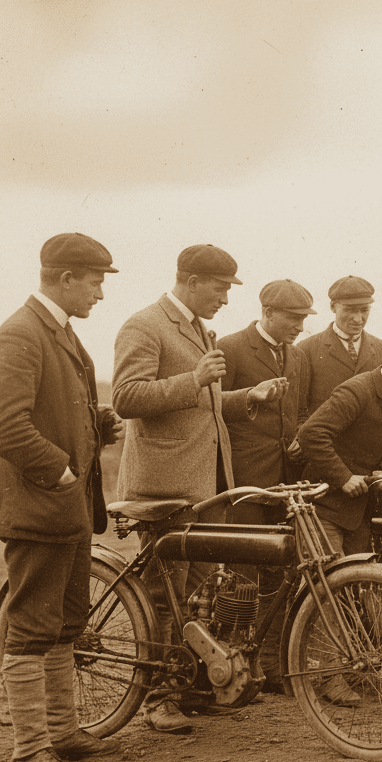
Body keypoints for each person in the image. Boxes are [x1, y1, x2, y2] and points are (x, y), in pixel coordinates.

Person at [112, 244, 287, 732]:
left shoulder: (196, 329)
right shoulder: (145, 324)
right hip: (164, 487)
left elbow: (200, 406)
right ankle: (156, 700)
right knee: (164, 596)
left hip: (206, 488)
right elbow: (126, 397)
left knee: (200, 593)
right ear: (191, 280)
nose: (227, 300)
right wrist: (194, 378)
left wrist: (245, 397)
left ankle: (190, 686)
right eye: (221, 288)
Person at [0, 233, 123, 762]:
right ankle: (29, 748)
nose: (100, 294)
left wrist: (98, 425)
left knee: (66, 623)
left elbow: (50, 411)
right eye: (95, 281)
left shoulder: (58, 332)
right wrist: (60, 468)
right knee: (32, 628)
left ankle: (62, 733)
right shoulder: (20, 335)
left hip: (67, 509)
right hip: (39, 506)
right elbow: (2, 424)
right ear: (65, 279)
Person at [219, 279, 317, 694]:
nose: (299, 326)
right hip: (243, 481)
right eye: (293, 319)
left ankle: (271, 667)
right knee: (242, 576)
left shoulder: (295, 356)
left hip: (284, 482)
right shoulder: (231, 347)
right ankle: (234, 667)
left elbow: (299, 409)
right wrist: (252, 397)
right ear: (268, 312)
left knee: (280, 575)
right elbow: (211, 408)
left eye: (303, 319)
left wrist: (299, 437)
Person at [299, 332, 382, 557]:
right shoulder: (357, 390)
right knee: (328, 583)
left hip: (359, 513)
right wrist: (343, 477)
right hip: (325, 509)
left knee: (357, 582)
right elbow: (311, 433)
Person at [294, 275, 382, 417]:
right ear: (333, 307)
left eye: (364, 310)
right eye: (350, 309)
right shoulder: (306, 349)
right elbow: (298, 408)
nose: (358, 319)